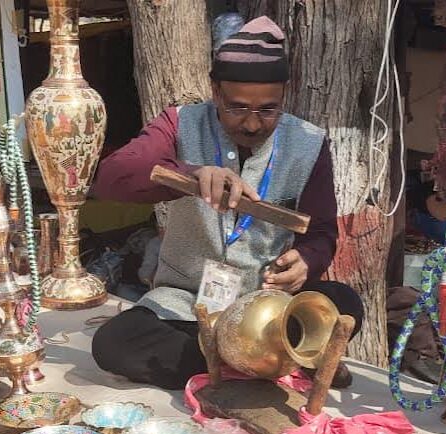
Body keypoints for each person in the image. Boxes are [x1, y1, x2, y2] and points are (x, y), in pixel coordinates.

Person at [89, 16, 364, 391]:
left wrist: (307, 261)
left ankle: (239, 362)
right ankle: (268, 362)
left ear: (286, 93)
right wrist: (190, 174)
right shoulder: (179, 123)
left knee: (344, 304)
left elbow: (321, 233)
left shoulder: (309, 142)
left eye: (268, 110)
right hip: (188, 304)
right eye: (237, 108)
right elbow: (112, 177)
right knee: (113, 345)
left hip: (268, 308)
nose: (252, 124)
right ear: (215, 91)